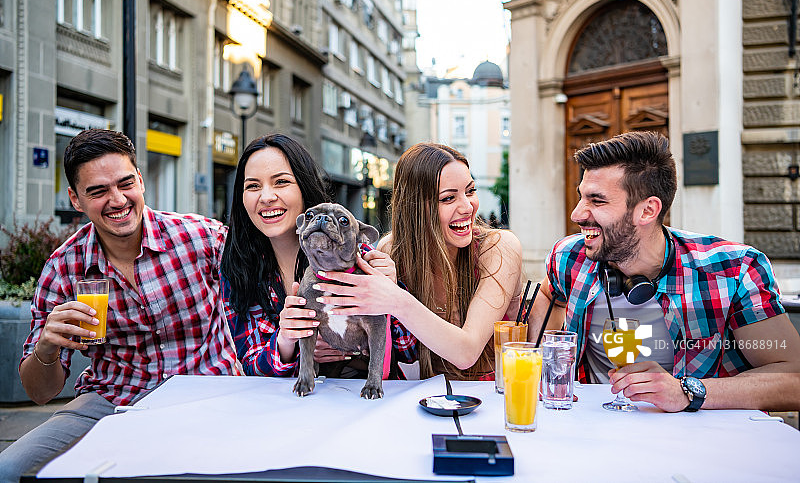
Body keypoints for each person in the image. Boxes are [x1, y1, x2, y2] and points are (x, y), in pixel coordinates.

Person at [0, 129, 240, 482]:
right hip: (112, 399)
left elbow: (266, 280)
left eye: (125, 184)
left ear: (140, 182)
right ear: (76, 199)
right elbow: (40, 392)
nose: (117, 200)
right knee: (9, 469)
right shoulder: (65, 266)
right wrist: (47, 349)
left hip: (206, 394)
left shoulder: (200, 237)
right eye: (97, 191)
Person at [528, 130, 800, 412]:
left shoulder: (733, 270)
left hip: (702, 444)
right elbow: (549, 296)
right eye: (581, 197)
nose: (577, 214)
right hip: (590, 434)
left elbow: (793, 378)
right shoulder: (569, 257)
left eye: (597, 201)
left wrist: (686, 391)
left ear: (648, 211)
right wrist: (541, 361)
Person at [310, 143, 523, 380]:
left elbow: (467, 352)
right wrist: (331, 342)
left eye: (470, 191)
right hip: (421, 401)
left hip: (494, 399)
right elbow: (381, 346)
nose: (467, 206)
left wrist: (396, 299)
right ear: (416, 208)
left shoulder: (498, 247)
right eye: (449, 198)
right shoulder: (391, 250)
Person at [219, 133, 415, 378]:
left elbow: (410, 351)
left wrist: (393, 296)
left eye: (280, 182)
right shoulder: (239, 267)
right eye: (253, 186)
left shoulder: (356, 258)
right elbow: (249, 363)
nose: (266, 197)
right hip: (297, 404)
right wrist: (291, 344)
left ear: (304, 186)